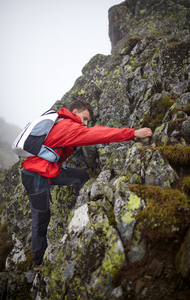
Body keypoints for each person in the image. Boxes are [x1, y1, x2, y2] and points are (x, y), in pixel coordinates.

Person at [21, 100, 152, 271]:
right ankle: (38, 262)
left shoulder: (62, 123)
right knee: (41, 218)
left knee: (80, 176)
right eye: (84, 118)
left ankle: (79, 210)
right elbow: (98, 134)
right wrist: (133, 133)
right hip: (35, 174)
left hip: (48, 169)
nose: (85, 123)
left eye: (87, 121)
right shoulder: (68, 127)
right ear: (74, 111)